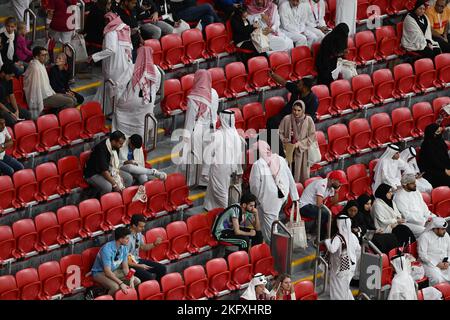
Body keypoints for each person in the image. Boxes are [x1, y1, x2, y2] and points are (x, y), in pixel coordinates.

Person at [249, 140, 299, 242]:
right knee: (268, 222)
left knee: (270, 230)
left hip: (269, 200)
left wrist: (257, 199)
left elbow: (254, 186)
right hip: (281, 196)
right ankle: (266, 247)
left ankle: (273, 251)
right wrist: (295, 197)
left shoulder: (258, 165)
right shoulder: (279, 158)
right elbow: (290, 177)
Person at [89, 12, 134, 116]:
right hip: (126, 64)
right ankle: (108, 111)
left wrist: (94, 56)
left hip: (114, 65)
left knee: (112, 89)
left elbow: (111, 49)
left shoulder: (111, 32)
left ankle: (112, 113)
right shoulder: (125, 29)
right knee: (117, 89)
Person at [113, 46, 161, 138]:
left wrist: (116, 97)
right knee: (142, 122)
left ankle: (122, 138)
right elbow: (157, 86)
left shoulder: (133, 67)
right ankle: (140, 142)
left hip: (132, 100)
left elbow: (120, 84)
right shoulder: (155, 69)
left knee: (119, 110)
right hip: (148, 102)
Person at [181, 69, 218, 187]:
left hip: (197, 129)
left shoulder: (194, 97)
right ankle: (203, 180)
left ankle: (190, 182)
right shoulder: (214, 93)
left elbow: (189, 121)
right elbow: (215, 113)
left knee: (193, 156)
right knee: (206, 156)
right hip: (210, 128)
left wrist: (184, 139)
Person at [204, 110, 245, 210]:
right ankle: (211, 208)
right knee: (221, 190)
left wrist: (205, 171)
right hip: (232, 168)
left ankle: (229, 213)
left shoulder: (217, 135)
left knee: (221, 192)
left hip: (220, 168)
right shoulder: (237, 135)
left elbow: (208, 154)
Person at [23, 46, 76, 119]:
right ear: (36, 57)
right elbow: (34, 89)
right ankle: (59, 119)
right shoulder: (35, 67)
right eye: (43, 55)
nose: (46, 57)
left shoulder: (40, 64)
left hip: (48, 93)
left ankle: (59, 117)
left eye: (46, 55)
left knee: (73, 99)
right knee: (70, 101)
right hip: (42, 97)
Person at [91, 227, 141, 296]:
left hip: (114, 271)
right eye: (127, 238)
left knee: (136, 281)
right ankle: (107, 296)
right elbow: (107, 272)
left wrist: (131, 278)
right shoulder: (106, 250)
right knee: (115, 287)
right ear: (120, 239)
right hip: (99, 273)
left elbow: (125, 268)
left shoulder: (124, 248)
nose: (128, 240)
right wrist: (121, 283)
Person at [298, 171, 345, 240]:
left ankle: (316, 234)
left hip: (313, 206)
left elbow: (334, 202)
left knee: (326, 214)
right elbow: (319, 204)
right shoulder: (321, 184)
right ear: (333, 180)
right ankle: (320, 238)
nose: (340, 184)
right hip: (304, 206)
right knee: (325, 214)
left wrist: (337, 191)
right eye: (339, 182)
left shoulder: (332, 187)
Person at [84, 131, 133, 195]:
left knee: (128, 178)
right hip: (93, 173)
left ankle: (122, 198)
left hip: (108, 168)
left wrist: (118, 176)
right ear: (113, 141)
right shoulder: (100, 149)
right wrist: (115, 184)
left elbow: (113, 165)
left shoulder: (115, 146)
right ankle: (103, 201)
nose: (121, 146)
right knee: (108, 187)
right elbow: (104, 171)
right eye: (120, 144)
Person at [278, 100, 316, 183]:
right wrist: (285, 140)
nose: (296, 112)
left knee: (301, 173)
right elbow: (280, 132)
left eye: (299, 110)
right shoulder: (287, 119)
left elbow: (312, 136)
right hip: (289, 151)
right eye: (294, 110)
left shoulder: (308, 120)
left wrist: (300, 144)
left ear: (303, 110)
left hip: (302, 152)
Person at [325, 214, 361, 300]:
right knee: (345, 287)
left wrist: (327, 241)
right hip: (351, 265)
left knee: (338, 288)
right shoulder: (353, 236)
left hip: (340, 267)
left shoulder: (338, 237)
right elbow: (358, 249)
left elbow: (332, 249)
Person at [394, 173, 435, 239]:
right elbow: (407, 216)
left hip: (423, 220)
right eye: (412, 183)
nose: (415, 185)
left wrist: (430, 217)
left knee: (439, 223)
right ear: (405, 185)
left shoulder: (416, 192)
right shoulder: (399, 197)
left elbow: (423, 207)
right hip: (409, 223)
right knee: (427, 233)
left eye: (414, 182)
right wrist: (423, 220)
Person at [126, 214, 167, 281]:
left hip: (137, 260)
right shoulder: (126, 238)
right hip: (130, 265)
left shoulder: (138, 233)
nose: (143, 229)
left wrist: (154, 244)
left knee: (162, 268)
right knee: (149, 277)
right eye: (141, 227)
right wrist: (140, 266)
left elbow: (142, 247)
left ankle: (158, 288)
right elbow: (124, 260)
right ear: (133, 226)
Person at [418, 216, 450, 285]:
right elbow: (422, 256)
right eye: (442, 229)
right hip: (429, 264)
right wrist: (437, 264)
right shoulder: (424, 237)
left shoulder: (446, 235)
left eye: (445, 229)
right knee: (437, 279)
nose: (444, 231)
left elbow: (449, 250)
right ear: (435, 229)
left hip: (444, 263)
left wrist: (448, 261)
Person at [417, 123, 450, 187]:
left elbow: (445, 156)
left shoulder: (440, 140)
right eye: (437, 132)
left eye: (439, 132)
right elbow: (433, 161)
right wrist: (444, 170)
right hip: (431, 169)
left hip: (442, 166)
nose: (438, 134)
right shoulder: (427, 145)